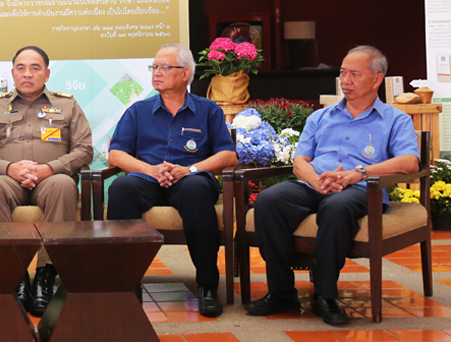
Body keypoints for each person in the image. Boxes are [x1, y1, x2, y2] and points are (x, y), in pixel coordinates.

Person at [245, 45, 419, 326]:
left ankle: (325, 295)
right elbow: (300, 160)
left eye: (354, 74)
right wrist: (315, 179)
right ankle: (281, 291)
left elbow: (410, 162)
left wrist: (358, 173)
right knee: (269, 200)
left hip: (361, 189)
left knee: (337, 207)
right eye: (342, 73)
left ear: (377, 79)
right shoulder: (320, 117)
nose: (345, 80)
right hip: (316, 183)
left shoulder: (394, 119)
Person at [106, 43, 237, 318]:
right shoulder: (138, 111)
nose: (157, 72)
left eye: (165, 67)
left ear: (186, 73)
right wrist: (150, 170)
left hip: (189, 179)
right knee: (121, 187)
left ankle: (207, 286)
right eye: (154, 67)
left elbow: (228, 154)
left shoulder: (208, 110)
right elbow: (116, 154)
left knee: (196, 188)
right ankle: (126, 284)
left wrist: (190, 169)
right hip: (147, 179)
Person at [0, 46, 93, 316]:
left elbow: (84, 150)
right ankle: (15, 275)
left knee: (63, 184)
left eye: (35, 68)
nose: (27, 74)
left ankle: (46, 275)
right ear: (13, 73)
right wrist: (8, 168)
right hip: (7, 180)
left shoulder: (67, 104)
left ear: (47, 73)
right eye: (21, 68)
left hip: (51, 179)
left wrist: (51, 168)